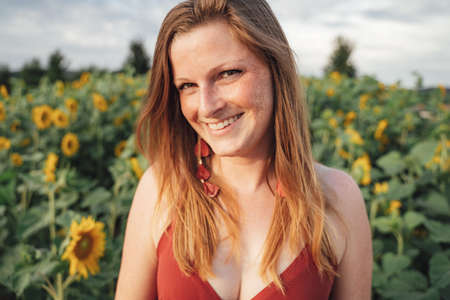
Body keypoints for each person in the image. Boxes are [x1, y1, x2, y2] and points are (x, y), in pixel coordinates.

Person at [115, 0, 372, 299]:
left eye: (227, 74)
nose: (207, 106)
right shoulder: (161, 188)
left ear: (275, 68)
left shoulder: (339, 199)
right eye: (187, 86)